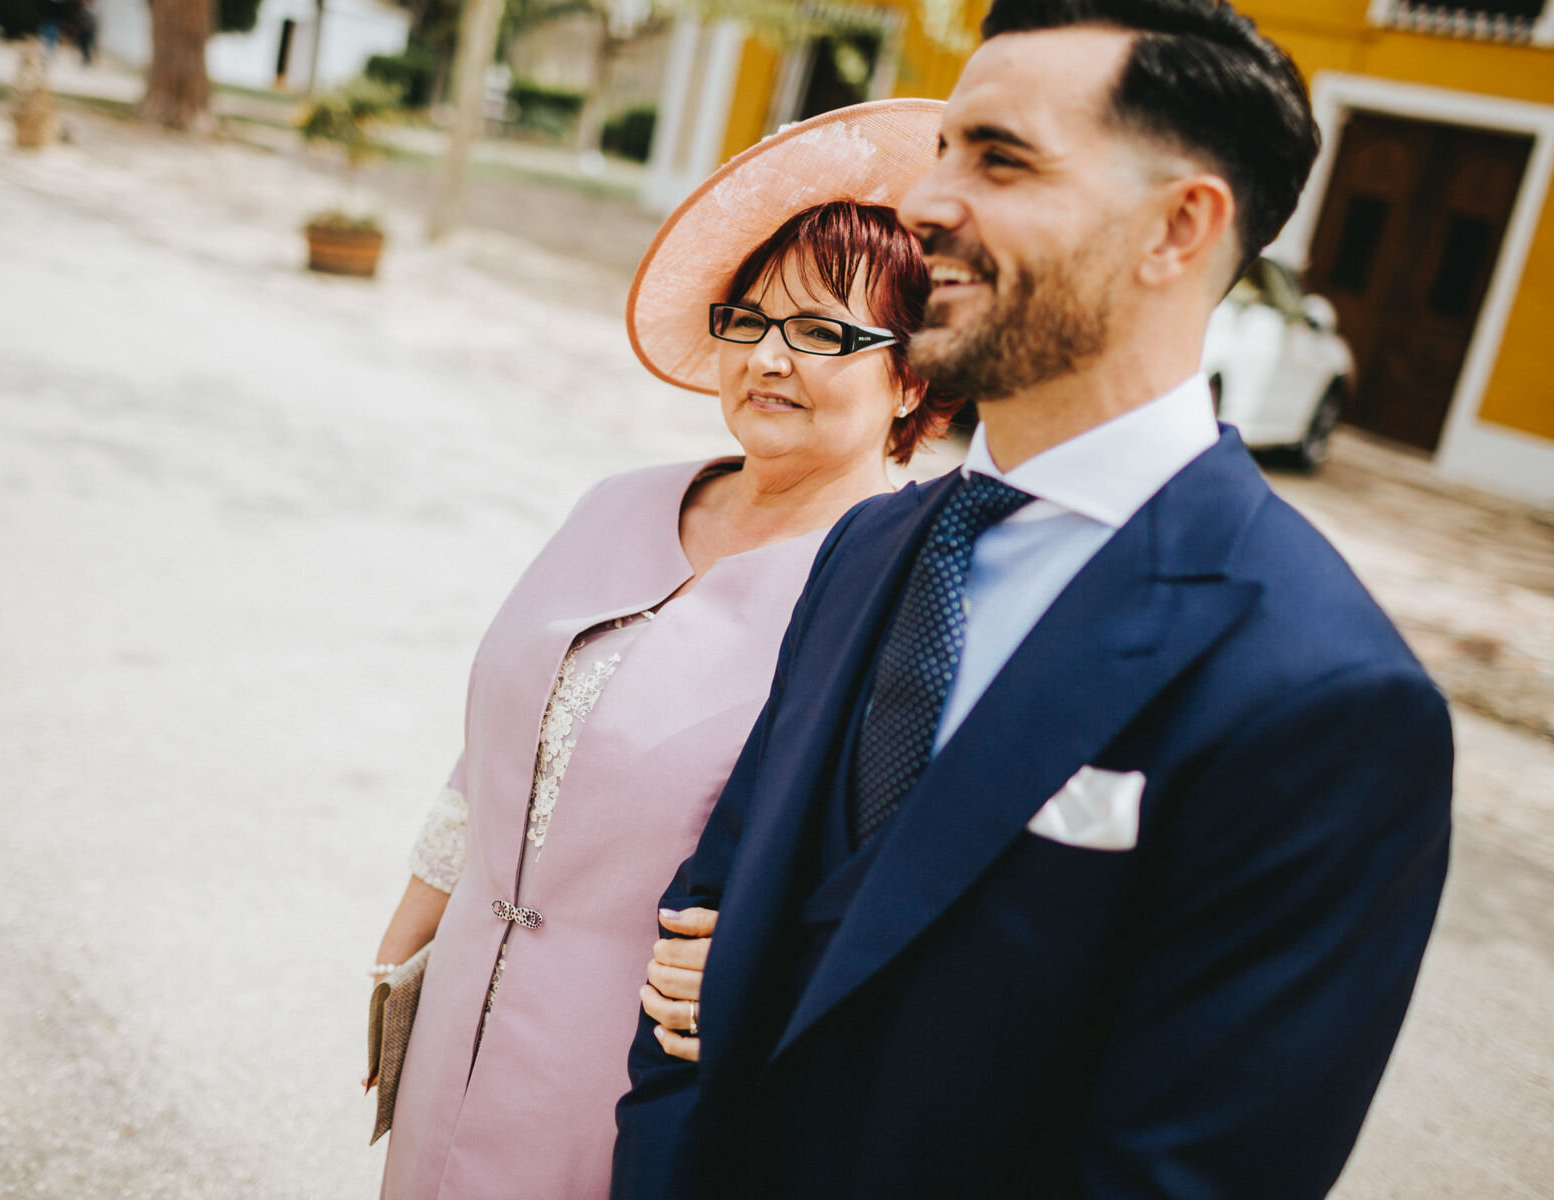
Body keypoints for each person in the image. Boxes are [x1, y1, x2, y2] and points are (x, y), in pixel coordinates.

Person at [616, 2, 1454, 1197]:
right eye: (946, 148)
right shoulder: (870, 545)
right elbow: (710, 924)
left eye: (1000, 160)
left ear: (1179, 226)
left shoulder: (1325, 696)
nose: (923, 202)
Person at [372, 101, 955, 1200]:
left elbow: (888, 882)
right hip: (453, 1025)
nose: (772, 359)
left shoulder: (901, 594)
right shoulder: (618, 502)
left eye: (824, 333)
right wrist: (406, 953)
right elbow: (490, 749)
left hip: (643, 1088)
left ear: (913, 378)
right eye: (753, 320)